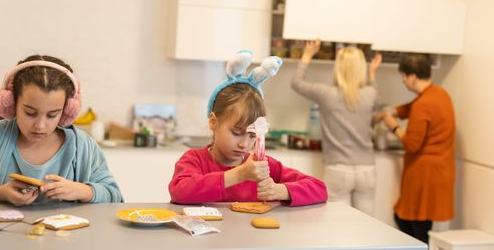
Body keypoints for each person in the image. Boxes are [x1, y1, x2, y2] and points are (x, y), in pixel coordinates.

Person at [169, 51, 328, 206]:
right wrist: (240, 174)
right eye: (236, 133)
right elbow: (180, 191)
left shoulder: (262, 165)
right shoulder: (195, 160)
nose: (244, 145)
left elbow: (319, 188)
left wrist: (280, 191)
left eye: (253, 135)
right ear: (213, 122)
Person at [0, 55, 123, 205]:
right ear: (12, 102)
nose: (40, 125)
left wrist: (83, 191)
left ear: (66, 110)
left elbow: (114, 195)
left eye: (52, 115)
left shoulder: (83, 146)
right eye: (30, 113)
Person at [290, 40, 381, 216]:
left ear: (338, 68)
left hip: (338, 170)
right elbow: (376, 101)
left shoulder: (326, 93)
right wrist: (372, 74)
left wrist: (307, 55)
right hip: (367, 170)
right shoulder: (370, 94)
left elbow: (296, 82)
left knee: (338, 229)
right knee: (369, 228)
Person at [376, 54, 455, 243]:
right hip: (440, 169)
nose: (403, 81)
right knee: (414, 221)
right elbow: (411, 107)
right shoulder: (439, 94)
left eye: (403, 77)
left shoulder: (423, 104)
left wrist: (393, 126)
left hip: (425, 173)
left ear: (412, 76)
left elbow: (411, 144)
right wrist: (393, 111)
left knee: (414, 223)